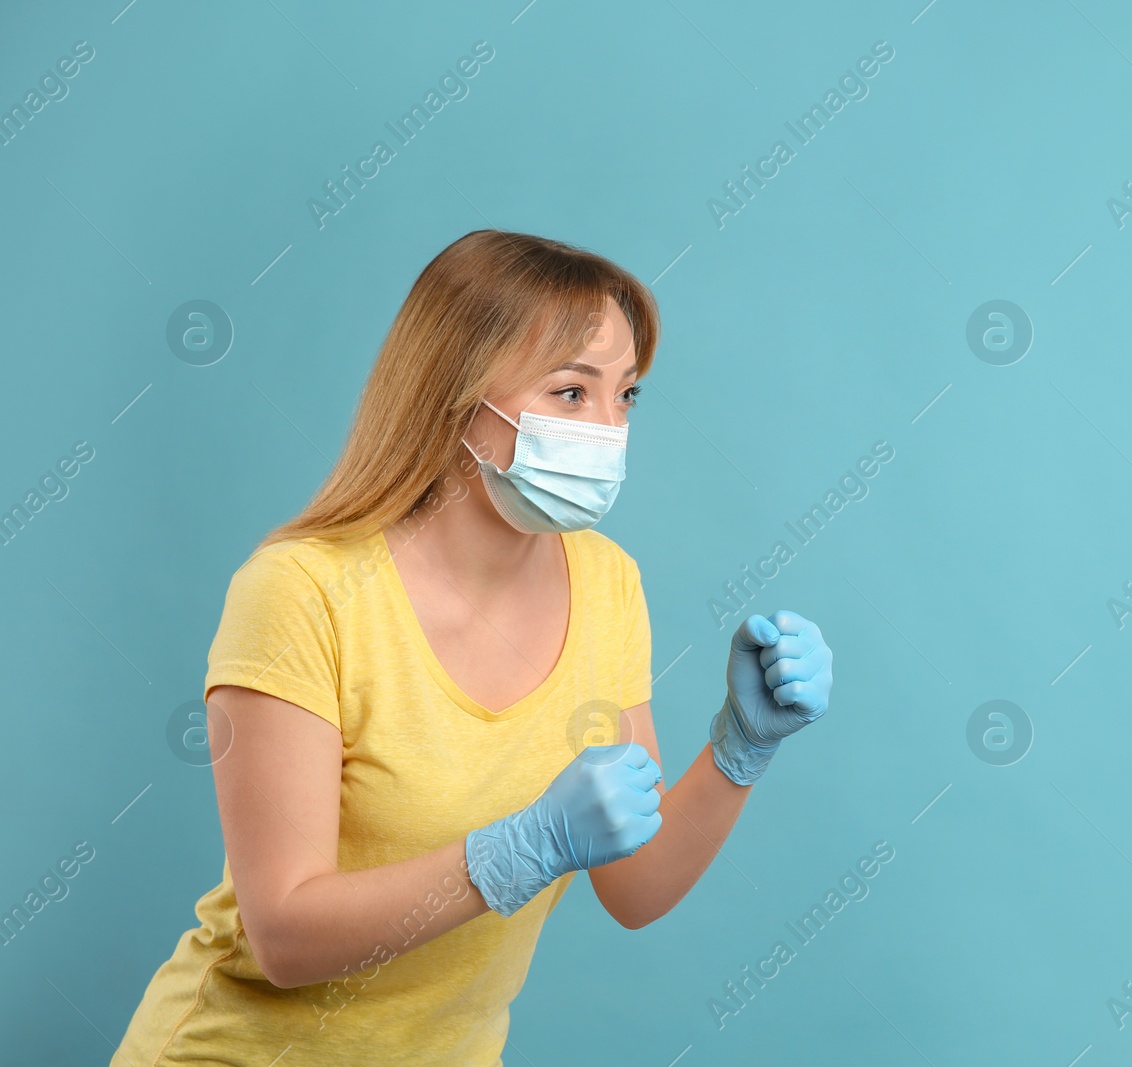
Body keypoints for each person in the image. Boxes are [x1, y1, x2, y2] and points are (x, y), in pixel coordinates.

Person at [112, 230, 834, 1065]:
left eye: (626, 395)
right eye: (571, 392)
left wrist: (740, 748)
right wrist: (516, 852)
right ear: (455, 395)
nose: (607, 429)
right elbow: (284, 934)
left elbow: (636, 886)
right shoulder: (302, 592)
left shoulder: (607, 583)